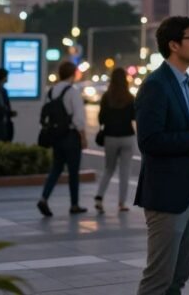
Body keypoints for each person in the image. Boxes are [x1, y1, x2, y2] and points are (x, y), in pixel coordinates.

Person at [134, 16, 189, 295]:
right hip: (167, 194)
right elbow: (149, 141)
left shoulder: (186, 83)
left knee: (178, 277)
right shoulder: (156, 85)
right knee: (159, 279)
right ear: (174, 45)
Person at [37, 61, 88, 216]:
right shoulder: (72, 91)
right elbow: (78, 118)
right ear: (73, 74)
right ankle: (74, 204)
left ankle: (44, 198)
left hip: (56, 136)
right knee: (73, 172)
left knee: (56, 169)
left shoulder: (52, 91)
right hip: (71, 136)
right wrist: (83, 137)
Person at [94, 67, 137, 214]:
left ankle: (99, 198)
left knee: (108, 169)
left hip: (110, 136)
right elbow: (134, 117)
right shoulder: (130, 97)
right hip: (127, 136)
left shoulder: (106, 97)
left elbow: (101, 118)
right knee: (125, 172)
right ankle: (122, 203)